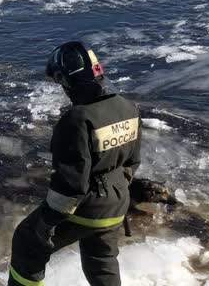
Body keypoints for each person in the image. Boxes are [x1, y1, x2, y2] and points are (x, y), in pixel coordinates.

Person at [8, 41, 141, 286]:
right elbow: (133, 162)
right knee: (101, 257)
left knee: (27, 243)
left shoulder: (77, 119)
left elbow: (70, 184)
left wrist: (46, 223)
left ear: (66, 79)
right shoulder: (128, 107)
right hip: (117, 203)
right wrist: (115, 191)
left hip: (88, 207)